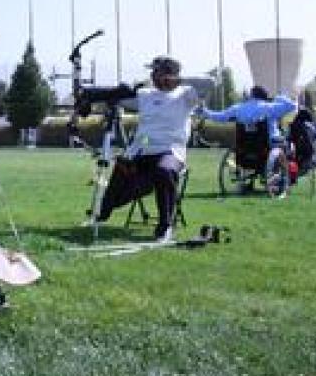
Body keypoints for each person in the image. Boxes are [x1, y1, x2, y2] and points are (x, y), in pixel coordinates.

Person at [98, 56, 199, 243]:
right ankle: (102, 213)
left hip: (170, 150)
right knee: (122, 168)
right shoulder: (145, 94)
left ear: (169, 74)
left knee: (164, 170)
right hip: (143, 150)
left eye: (157, 71)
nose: (153, 75)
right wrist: (107, 94)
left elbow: (210, 84)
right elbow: (121, 99)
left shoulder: (186, 94)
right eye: (153, 72)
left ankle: (165, 227)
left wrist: (175, 80)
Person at [198, 85, 296, 146]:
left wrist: (205, 111)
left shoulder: (238, 108)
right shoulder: (269, 107)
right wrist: (278, 97)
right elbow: (292, 105)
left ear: (251, 95)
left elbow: (220, 117)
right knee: (289, 144)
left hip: (245, 142)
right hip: (269, 142)